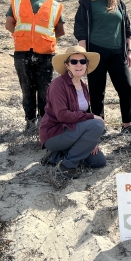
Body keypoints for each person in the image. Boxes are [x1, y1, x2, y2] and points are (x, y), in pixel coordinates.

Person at [74, 0, 131, 136]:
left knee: (125, 87)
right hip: (95, 52)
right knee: (97, 90)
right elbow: (81, 29)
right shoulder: (87, 2)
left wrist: (129, 51)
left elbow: (126, 29)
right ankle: (100, 127)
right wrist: (83, 54)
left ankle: (127, 126)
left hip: (118, 53)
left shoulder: (119, 3)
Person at [5, 0, 65, 129]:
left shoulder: (54, 5)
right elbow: (9, 24)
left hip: (46, 55)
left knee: (45, 91)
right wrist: (22, 37)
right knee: (27, 90)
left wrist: (43, 40)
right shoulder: (17, 1)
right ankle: (30, 123)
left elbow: (60, 30)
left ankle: (44, 123)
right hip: (22, 53)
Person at [40, 46, 106, 179]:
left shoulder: (83, 86)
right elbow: (62, 115)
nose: (79, 65)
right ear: (67, 65)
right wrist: (91, 116)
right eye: (74, 62)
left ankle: (56, 156)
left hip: (73, 130)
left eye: (82, 61)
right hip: (55, 133)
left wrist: (92, 141)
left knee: (98, 161)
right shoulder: (58, 84)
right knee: (97, 124)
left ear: (86, 64)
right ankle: (67, 166)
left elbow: (84, 116)